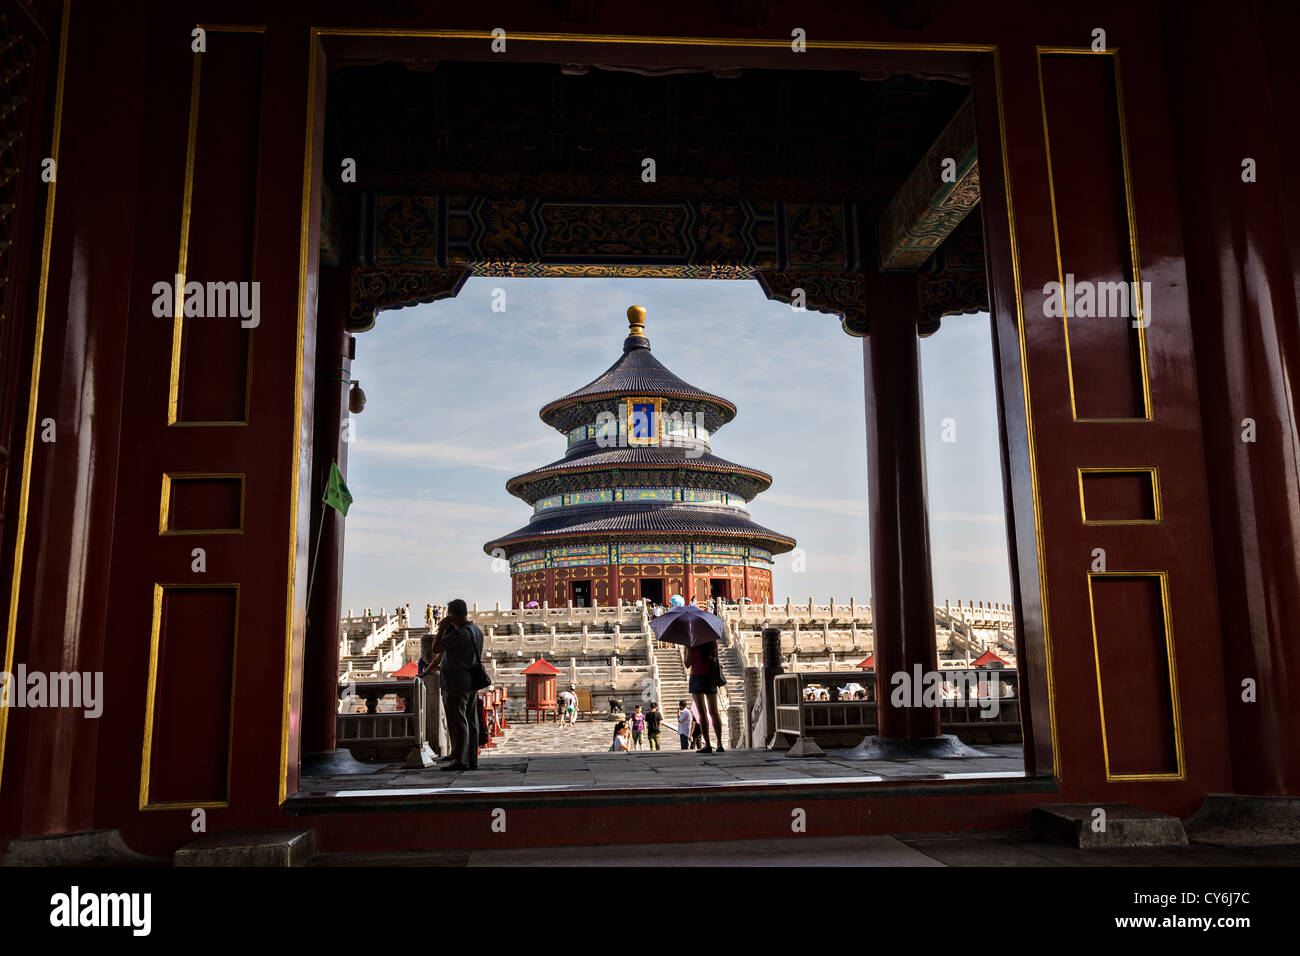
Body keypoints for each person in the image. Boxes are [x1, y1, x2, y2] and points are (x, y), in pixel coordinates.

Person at [432, 598, 484, 771]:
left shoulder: (460, 633)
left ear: (452, 614)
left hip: (457, 681)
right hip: (471, 680)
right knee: (471, 720)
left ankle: (461, 760)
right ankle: (471, 758)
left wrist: (442, 627)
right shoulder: (475, 629)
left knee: (459, 721)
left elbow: (436, 647)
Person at [686, 640, 725, 753]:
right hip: (711, 676)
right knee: (714, 711)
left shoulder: (691, 643)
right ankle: (719, 743)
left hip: (697, 677)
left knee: (702, 712)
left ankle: (707, 744)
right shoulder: (714, 642)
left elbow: (687, 664)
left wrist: (687, 651)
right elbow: (716, 660)